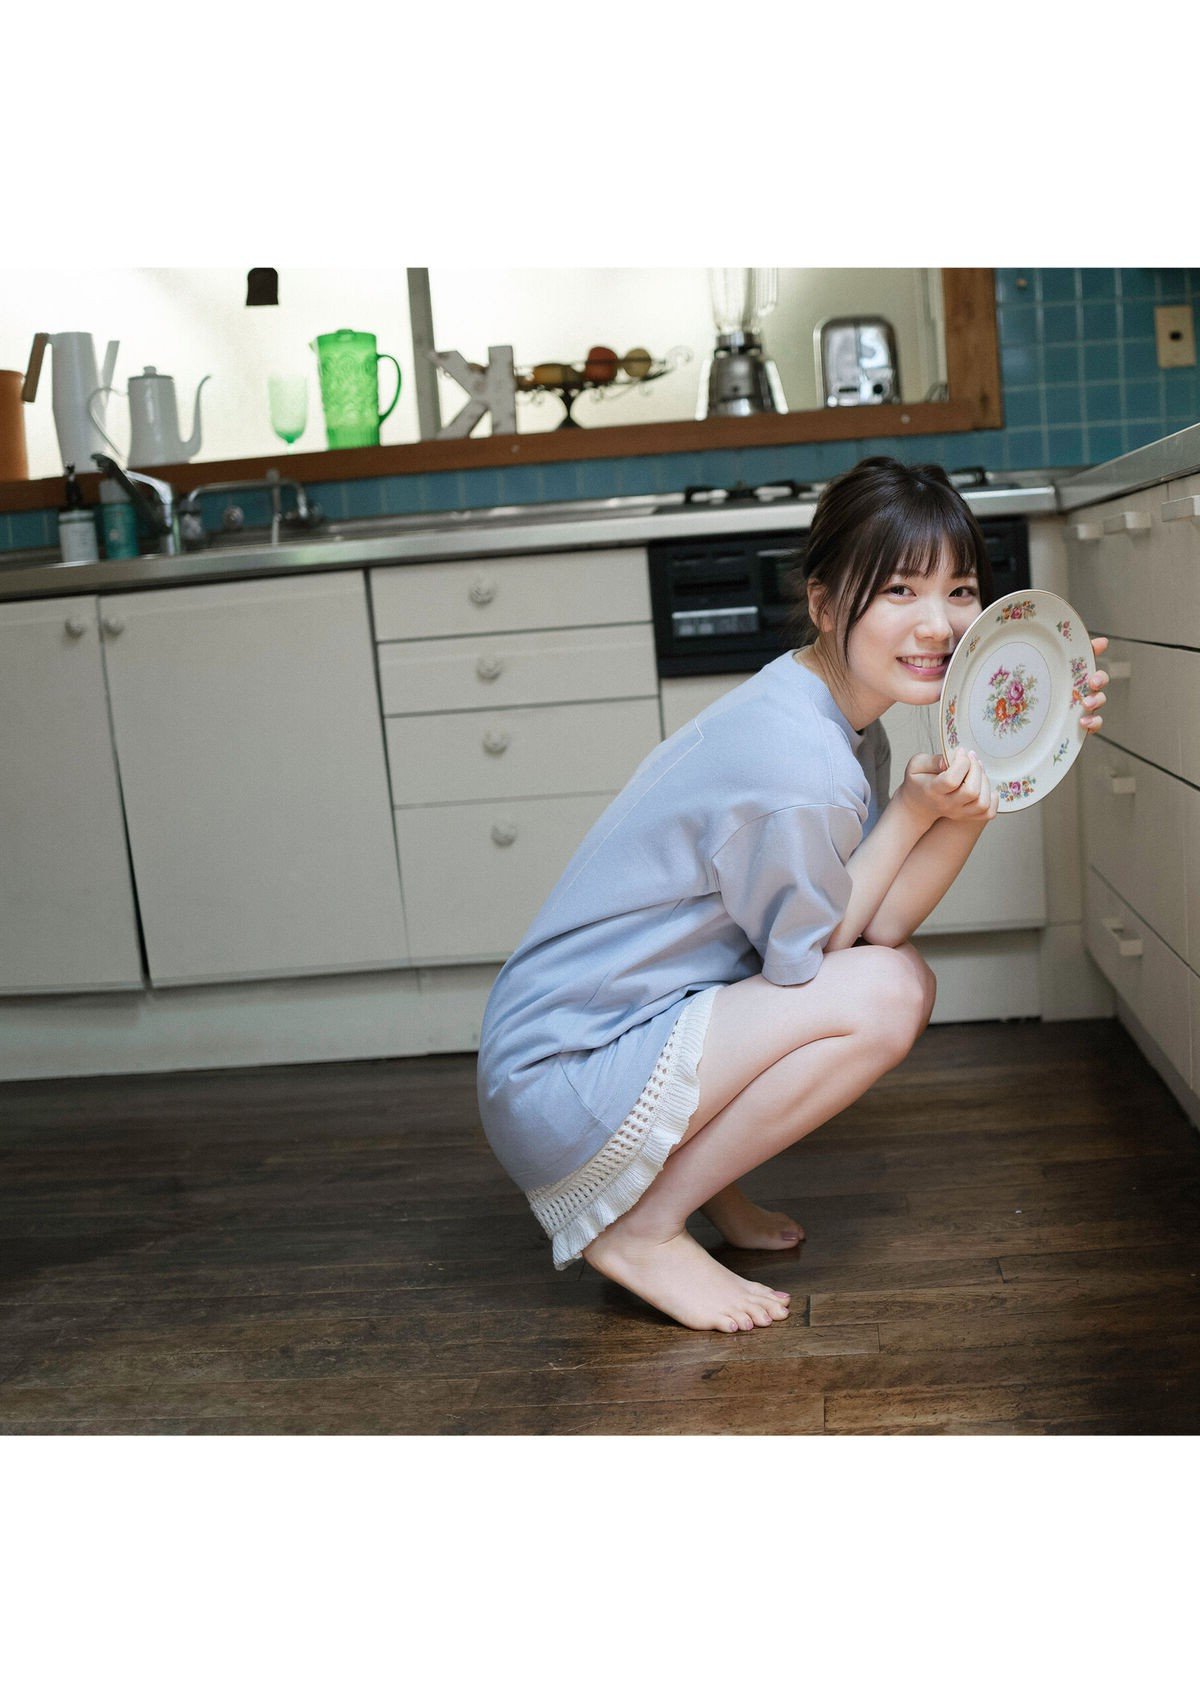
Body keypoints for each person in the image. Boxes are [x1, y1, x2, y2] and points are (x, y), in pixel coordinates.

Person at [476, 456, 1110, 1334]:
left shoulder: (833, 712)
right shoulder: (801, 764)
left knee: (889, 972)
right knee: (892, 991)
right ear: (824, 604)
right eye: (900, 589)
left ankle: (691, 1191)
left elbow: (879, 918)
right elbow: (819, 960)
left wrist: (994, 771)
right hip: (563, 1076)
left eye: (961, 589)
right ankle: (642, 1229)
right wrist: (915, 809)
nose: (940, 623)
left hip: (591, 1041)